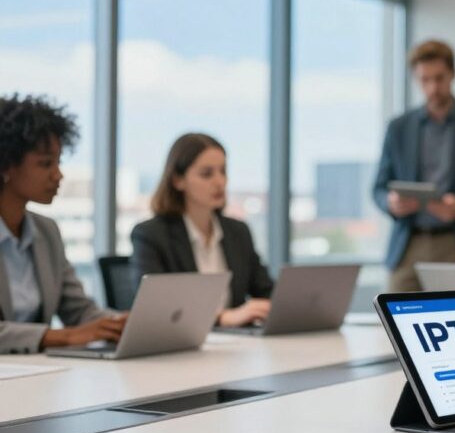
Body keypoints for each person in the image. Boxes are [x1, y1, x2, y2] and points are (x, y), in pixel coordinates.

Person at [372, 40, 455, 292]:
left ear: (453, 74)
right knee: (393, 325)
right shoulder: (398, 128)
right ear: (416, 78)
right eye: (425, 80)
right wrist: (390, 203)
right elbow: (378, 188)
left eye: (439, 78)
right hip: (408, 243)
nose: (433, 88)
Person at [0, 94, 126, 353]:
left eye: (58, 162)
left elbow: (78, 310)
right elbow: (70, 332)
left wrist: (120, 324)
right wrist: (60, 337)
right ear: (5, 166)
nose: (58, 175)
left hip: (39, 376)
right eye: (45, 164)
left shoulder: (46, 231)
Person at [130, 133, 273, 328]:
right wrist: (221, 318)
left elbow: (266, 291)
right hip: (180, 348)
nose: (219, 182)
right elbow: (157, 310)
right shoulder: (151, 235)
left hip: (237, 348)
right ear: (178, 181)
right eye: (207, 174)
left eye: (223, 171)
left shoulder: (237, 231)